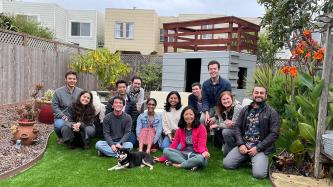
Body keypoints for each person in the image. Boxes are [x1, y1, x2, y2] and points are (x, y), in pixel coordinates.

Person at [223, 86, 280, 179]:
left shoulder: (272, 112)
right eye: (256, 92)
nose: (259, 95)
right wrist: (241, 144)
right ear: (252, 94)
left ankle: (255, 159)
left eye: (262, 93)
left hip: (260, 148)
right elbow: (237, 126)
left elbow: (274, 134)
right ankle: (247, 158)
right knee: (227, 164)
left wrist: (258, 148)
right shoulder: (245, 109)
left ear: (266, 96)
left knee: (259, 174)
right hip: (244, 145)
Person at [158, 106, 210, 171]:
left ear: (194, 116)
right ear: (183, 116)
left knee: (200, 159)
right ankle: (191, 165)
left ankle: (180, 165)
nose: (188, 116)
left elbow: (201, 145)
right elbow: (173, 146)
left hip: (197, 154)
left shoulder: (201, 128)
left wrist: (203, 153)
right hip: (184, 154)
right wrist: (161, 158)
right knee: (166, 150)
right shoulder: (180, 130)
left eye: (191, 114)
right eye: (186, 114)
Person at [52, 71, 83, 143]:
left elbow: (84, 105)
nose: (72, 80)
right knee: (59, 125)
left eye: (74, 79)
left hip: (76, 116)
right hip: (63, 117)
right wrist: (62, 115)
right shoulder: (58, 92)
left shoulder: (81, 92)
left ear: (76, 80)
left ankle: (75, 137)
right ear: (65, 79)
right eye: (70, 78)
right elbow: (55, 106)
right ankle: (61, 137)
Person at [210, 91, 242, 156]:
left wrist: (217, 125)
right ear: (221, 101)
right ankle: (225, 144)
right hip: (229, 129)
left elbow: (233, 125)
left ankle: (235, 149)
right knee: (225, 154)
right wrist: (223, 123)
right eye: (223, 99)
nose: (226, 101)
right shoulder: (220, 108)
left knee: (225, 131)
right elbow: (222, 122)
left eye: (228, 98)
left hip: (239, 130)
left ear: (232, 99)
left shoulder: (237, 107)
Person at [105, 80, 138, 146]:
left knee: (132, 142)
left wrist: (128, 130)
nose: (122, 89)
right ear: (117, 89)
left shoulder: (132, 101)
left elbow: (134, 117)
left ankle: (112, 148)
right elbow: (107, 115)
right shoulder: (111, 101)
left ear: (126, 88)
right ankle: (119, 148)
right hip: (114, 130)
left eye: (123, 87)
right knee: (106, 140)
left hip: (127, 129)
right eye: (120, 87)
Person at [201, 60, 231, 126]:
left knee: (217, 121)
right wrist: (206, 112)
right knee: (202, 119)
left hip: (222, 108)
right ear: (208, 71)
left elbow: (227, 102)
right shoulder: (205, 84)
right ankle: (203, 135)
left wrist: (215, 117)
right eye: (211, 69)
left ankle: (214, 134)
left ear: (218, 69)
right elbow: (205, 100)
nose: (213, 71)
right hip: (210, 107)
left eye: (215, 69)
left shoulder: (226, 84)